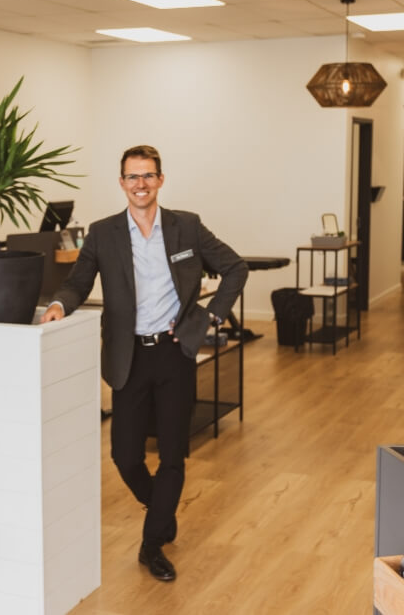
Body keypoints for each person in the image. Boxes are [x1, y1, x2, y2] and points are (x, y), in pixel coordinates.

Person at [40, 145, 248, 581]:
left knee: (173, 454)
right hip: (127, 355)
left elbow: (234, 267)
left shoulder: (186, 227)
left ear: (161, 179)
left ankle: (152, 545)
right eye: (133, 177)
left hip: (175, 352)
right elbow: (78, 281)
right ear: (121, 183)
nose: (141, 184)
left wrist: (207, 317)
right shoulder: (103, 233)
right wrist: (60, 303)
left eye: (148, 176)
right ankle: (161, 508)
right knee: (125, 455)